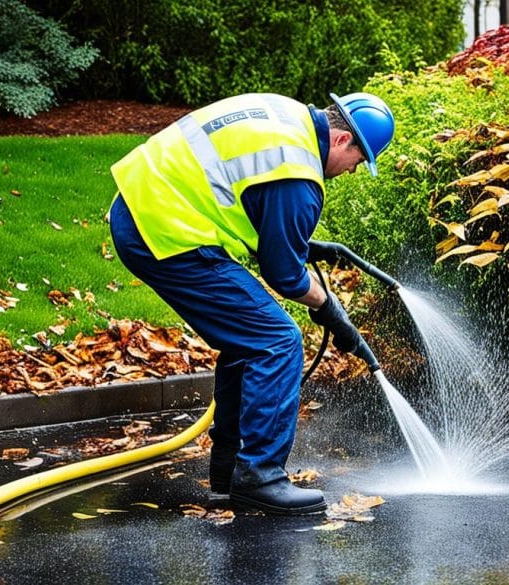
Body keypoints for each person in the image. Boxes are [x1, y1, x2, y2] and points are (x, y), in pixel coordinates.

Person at [108, 92, 395, 514]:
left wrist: (304, 244)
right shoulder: (299, 177)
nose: (352, 171)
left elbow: (250, 194)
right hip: (164, 231)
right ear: (340, 140)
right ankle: (259, 476)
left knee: (249, 340)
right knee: (276, 340)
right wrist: (329, 309)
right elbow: (283, 275)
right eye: (358, 160)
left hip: (142, 207)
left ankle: (228, 473)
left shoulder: (287, 115)